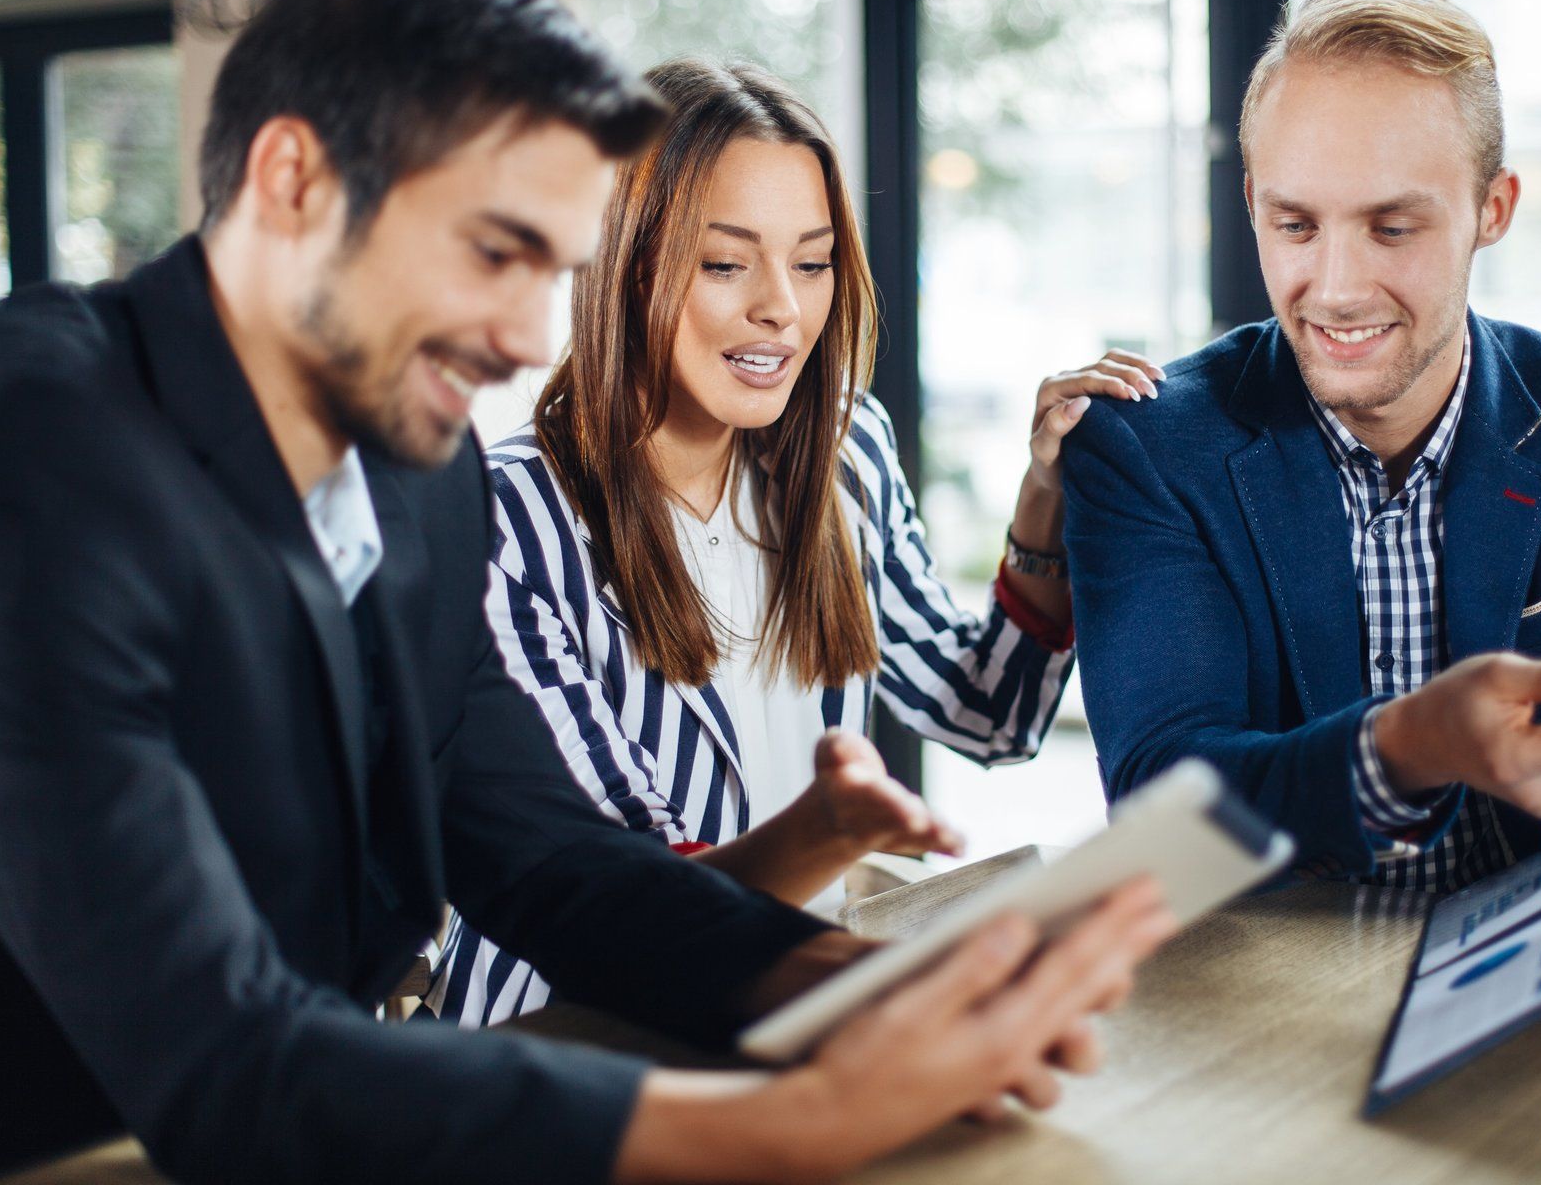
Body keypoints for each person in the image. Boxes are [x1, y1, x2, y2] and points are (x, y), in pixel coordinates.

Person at [0, 0, 1176, 1184]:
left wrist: (862, 988)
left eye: (556, 267)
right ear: (292, 181)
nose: (531, 336)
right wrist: (800, 1119)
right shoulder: (35, 451)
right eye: (494, 252)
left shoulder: (416, 477)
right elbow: (223, 1055)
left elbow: (551, 861)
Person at [1059, 0, 1541, 982]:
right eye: (1295, 224)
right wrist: (1408, 745)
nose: (1339, 287)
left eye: (1393, 227)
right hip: (1249, 1021)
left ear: (1494, 209)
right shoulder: (1147, 448)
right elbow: (1162, 817)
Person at [431, 56, 1167, 1025]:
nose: (782, 305)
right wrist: (825, 830)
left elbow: (990, 713)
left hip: (790, 1008)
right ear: (624, 265)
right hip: (566, 1041)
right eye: (727, 261)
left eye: (812, 261)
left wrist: (1047, 494)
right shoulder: (508, 519)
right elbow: (624, 909)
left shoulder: (841, 454)